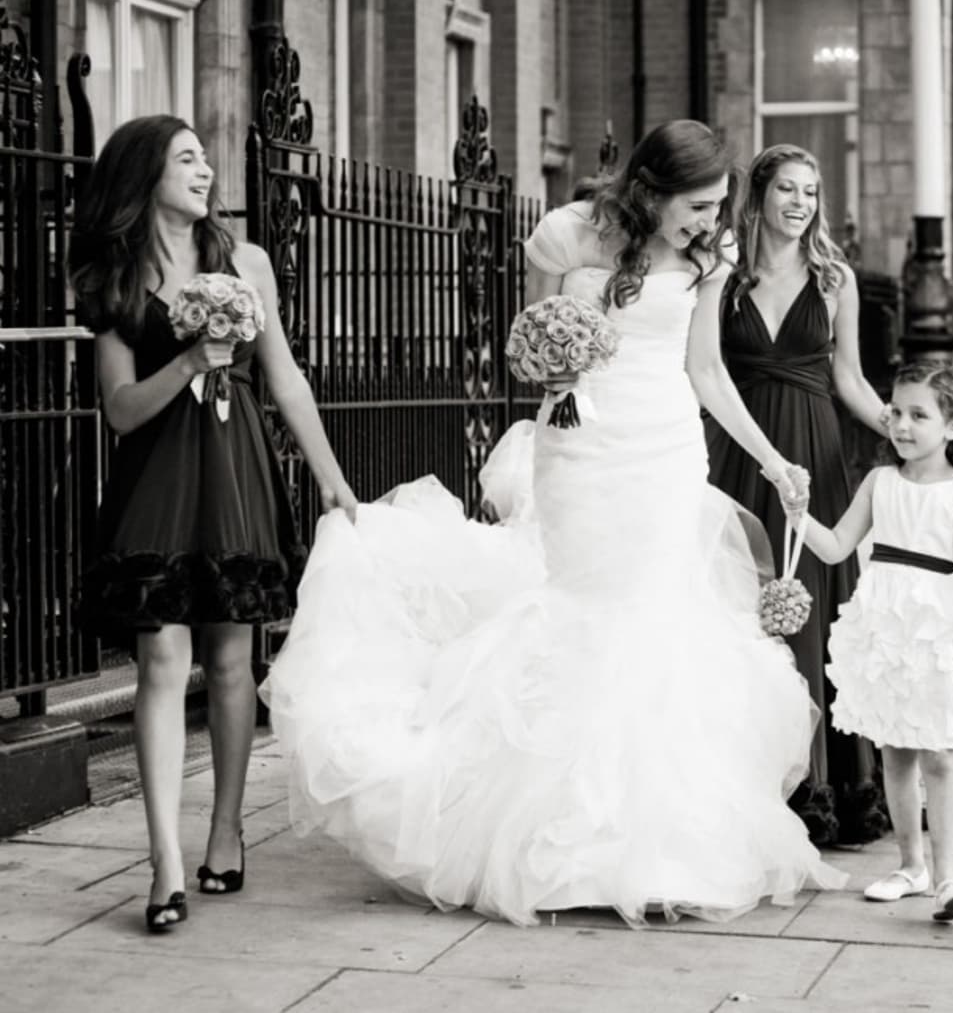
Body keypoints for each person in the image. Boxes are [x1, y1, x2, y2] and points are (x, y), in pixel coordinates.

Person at [261, 119, 847, 926]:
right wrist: (554, 366)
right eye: (697, 205)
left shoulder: (713, 257)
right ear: (649, 190)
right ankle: (565, 843)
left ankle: (662, 847)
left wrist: (773, 459)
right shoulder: (564, 237)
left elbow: (705, 370)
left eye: (718, 207)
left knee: (661, 624)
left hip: (668, 451)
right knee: (586, 615)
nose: (709, 221)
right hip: (582, 453)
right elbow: (528, 350)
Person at [68, 115, 358, 933]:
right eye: (186, 158)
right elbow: (121, 410)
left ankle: (226, 829)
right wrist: (191, 359)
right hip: (156, 476)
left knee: (232, 655)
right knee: (163, 654)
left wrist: (332, 478)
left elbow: (287, 378)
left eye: (205, 159)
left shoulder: (248, 262)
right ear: (144, 174)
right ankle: (163, 859)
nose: (205, 171)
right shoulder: (113, 275)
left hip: (236, 470)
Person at [706, 143, 891, 847]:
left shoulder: (834, 277)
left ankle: (821, 782)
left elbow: (850, 377)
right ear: (758, 195)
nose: (800, 204)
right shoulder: (723, 276)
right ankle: (742, 772)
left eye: (811, 193)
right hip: (741, 451)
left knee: (812, 608)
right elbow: (705, 368)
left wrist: (898, 430)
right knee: (740, 602)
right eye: (787, 189)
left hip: (815, 455)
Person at [787, 361, 953, 922]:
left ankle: (949, 876)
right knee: (896, 753)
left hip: (938, 636)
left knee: (940, 756)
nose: (902, 425)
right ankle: (911, 866)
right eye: (897, 412)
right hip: (887, 631)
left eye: (919, 415)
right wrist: (797, 516)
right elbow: (834, 547)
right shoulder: (879, 482)